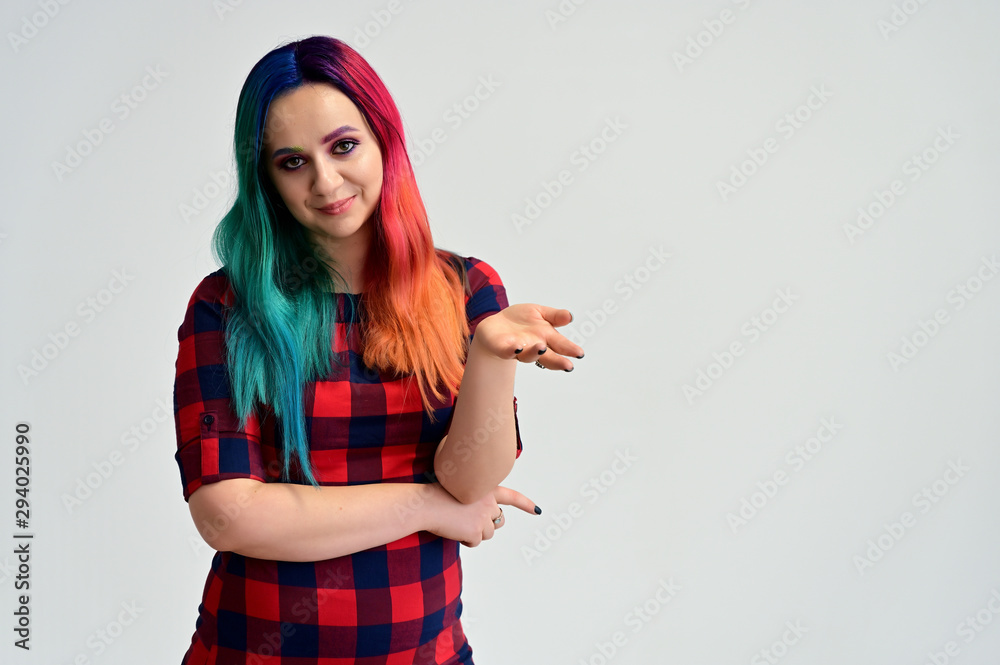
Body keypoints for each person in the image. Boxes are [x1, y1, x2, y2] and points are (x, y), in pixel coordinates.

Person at [171, 35, 584, 664]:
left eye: (343, 147)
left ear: (383, 140)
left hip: (428, 652)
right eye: (291, 162)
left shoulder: (466, 289)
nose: (325, 180)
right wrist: (428, 507)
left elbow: (469, 478)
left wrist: (492, 358)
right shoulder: (227, 306)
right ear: (266, 180)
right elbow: (229, 515)